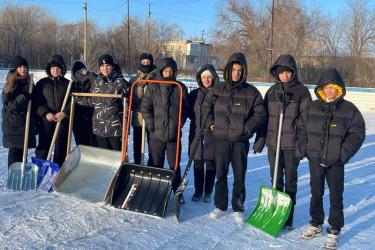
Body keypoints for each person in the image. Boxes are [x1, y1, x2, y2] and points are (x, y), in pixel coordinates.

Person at [298, 68, 365, 249]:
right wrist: (306, 148)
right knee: (316, 193)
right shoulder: (312, 107)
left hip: (335, 161)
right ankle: (316, 223)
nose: (329, 90)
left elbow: (358, 133)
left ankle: (335, 228)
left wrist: (342, 154)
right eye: (326, 87)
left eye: (332, 87)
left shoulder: (348, 109)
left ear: (339, 88)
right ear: (321, 88)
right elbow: (301, 127)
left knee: (336, 195)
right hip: (315, 159)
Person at [205, 53, 266, 222]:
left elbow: (260, 115)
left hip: (240, 141)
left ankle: (238, 207)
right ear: (228, 70)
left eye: (240, 70)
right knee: (221, 174)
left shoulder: (251, 92)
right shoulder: (217, 89)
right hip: (221, 140)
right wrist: (211, 125)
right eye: (233, 69)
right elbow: (206, 108)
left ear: (244, 71)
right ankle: (220, 205)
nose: (236, 73)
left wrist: (247, 129)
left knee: (240, 175)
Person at [253, 54, 312, 229]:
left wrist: (302, 144)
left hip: (291, 145)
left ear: (293, 72)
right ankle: (275, 213)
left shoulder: (302, 92)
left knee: (291, 181)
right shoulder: (271, 92)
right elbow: (264, 119)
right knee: (275, 179)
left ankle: (288, 217)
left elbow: (305, 121)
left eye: (288, 72)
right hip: (273, 144)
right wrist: (260, 140)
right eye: (281, 72)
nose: (285, 75)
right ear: (276, 73)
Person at [141, 57, 189, 204]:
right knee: (156, 164)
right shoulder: (153, 86)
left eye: (171, 71)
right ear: (161, 71)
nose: (168, 73)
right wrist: (151, 124)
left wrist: (179, 124)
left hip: (173, 135)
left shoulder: (179, 87)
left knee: (174, 164)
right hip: (156, 134)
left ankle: (177, 192)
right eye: (165, 71)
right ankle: (155, 191)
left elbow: (185, 109)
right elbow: (145, 107)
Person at [78, 54, 130, 151]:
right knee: (103, 159)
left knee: (117, 159)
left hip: (116, 129)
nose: (105, 68)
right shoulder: (97, 82)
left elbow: (131, 101)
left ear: (112, 66)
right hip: (99, 127)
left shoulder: (121, 82)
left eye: (107, 66)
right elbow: (93, 100)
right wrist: (77, 99)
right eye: (102, 66)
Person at [188, 64, 219, 203]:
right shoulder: (194, 94)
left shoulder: (219, 94)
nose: (206, 79)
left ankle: (208, 191)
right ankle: (198, 191)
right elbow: (188, 111)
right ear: (200, 78)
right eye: (204, 77)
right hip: (196, 133)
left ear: (213, 78)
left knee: (211, 163)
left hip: (213, 134)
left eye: (209, 77)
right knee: (198, 163)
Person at [34, 55, 70, 167]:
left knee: (61, 148)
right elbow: (37, 101)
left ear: (62, 69)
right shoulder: (42, 83)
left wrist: (64, 113)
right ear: (49, 69)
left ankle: (57, 172)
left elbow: (73, 102)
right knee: (44, 147)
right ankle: (40, 170)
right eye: (53, 68)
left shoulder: (68, 84)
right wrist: (46, 113)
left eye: (58, 68)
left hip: (62, 121)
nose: (55, 70)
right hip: (46, 121)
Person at [2, 55, 36, 168]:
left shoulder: (30, 83)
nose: (23, 69)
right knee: (14, 154)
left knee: (24, 154)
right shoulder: (11, 83)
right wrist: (24, 97)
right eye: (20, 67)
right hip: (14, 126)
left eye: (25, 67)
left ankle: (22, 181)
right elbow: (10, 105)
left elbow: (35, 102)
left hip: (26, 124)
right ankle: (13, 179)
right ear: (16, 68)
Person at [129, 53, 157, 164]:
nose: (146, 64)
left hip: (152, 117)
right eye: (143, 62)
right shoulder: (134, 80)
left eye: (148, 62)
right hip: (138, 118)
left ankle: (151, 165)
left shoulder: (157, 78)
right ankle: (137, 164)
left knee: (152, 144)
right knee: (137, 144)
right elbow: (132, 98)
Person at [71, 60, 97, 147]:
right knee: (81, 143)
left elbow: (99, 82)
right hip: (77, 118)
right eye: (77, 72)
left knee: (93, 143)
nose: (80, 74)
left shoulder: (91, 82)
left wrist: (89, 74)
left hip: (91, 116)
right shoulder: (72, 84)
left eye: (82, 71)